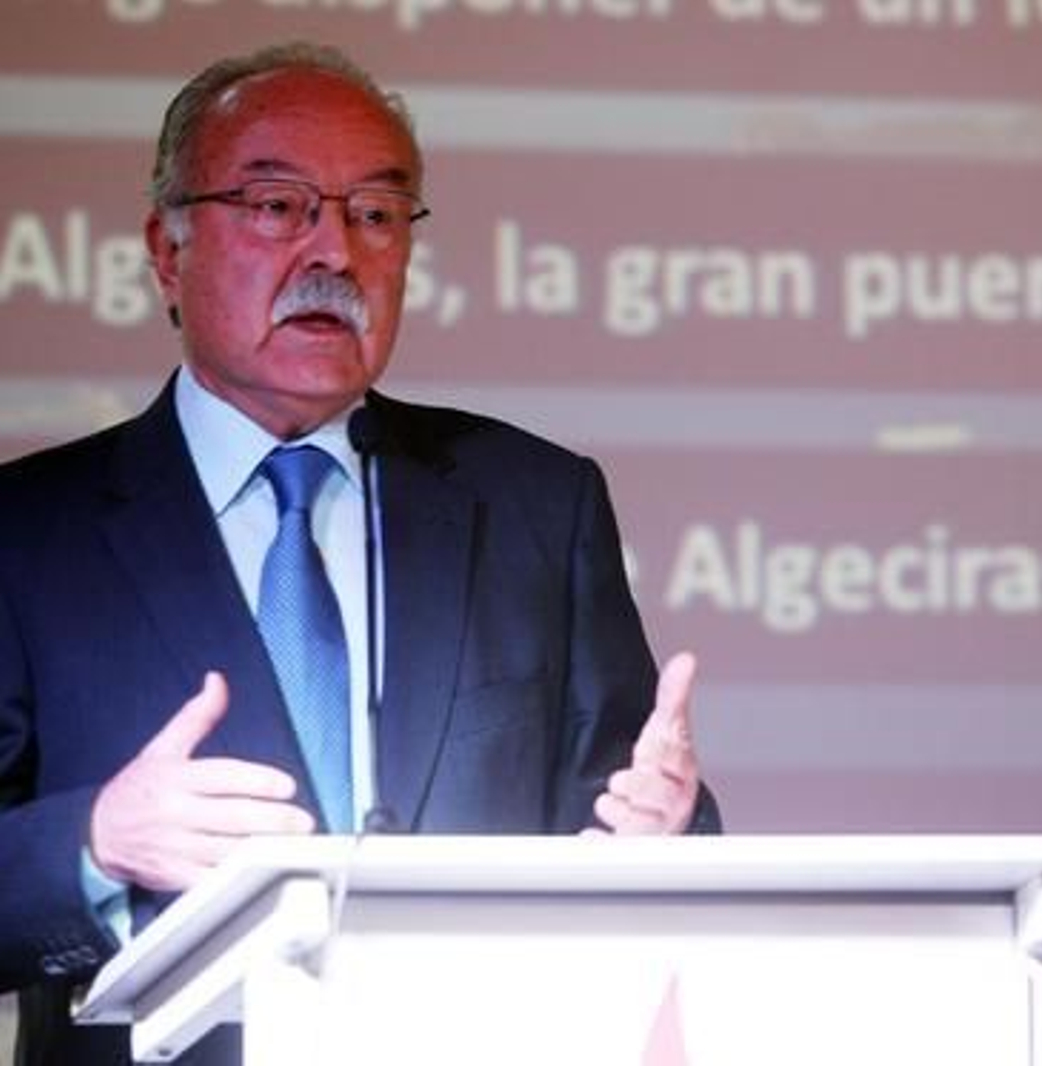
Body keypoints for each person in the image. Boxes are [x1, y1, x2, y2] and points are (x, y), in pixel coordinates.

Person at [0, 41, 718, 1064]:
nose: (332, 251)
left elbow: (631, 814)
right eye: (275, 205)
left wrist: (666, 840)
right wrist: (92, 843)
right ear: (168, 249)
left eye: (374, 213)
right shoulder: (28, 534)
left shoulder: (534, 504)